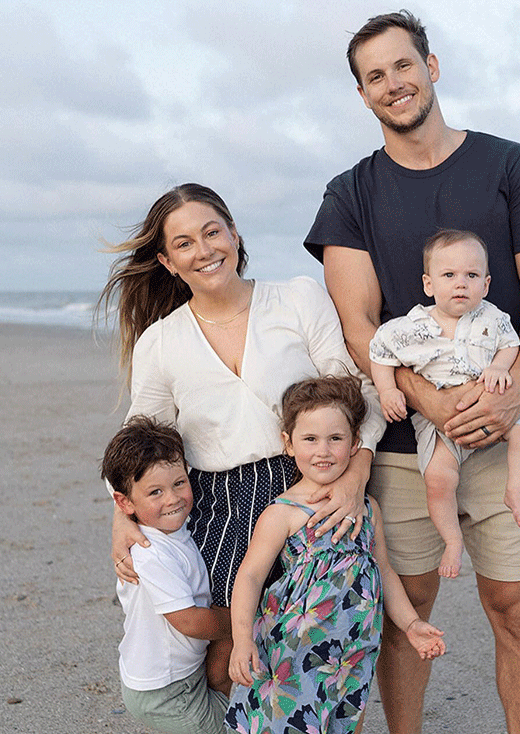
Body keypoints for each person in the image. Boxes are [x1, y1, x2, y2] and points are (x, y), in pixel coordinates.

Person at [303, 10, 520, 734]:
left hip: (508, 417)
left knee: (515, 608)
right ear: (362, 95)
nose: (394, 83)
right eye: (375, 76)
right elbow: (357, 322)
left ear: (433, 66)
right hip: (402, 441)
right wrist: (426, 397)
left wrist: (510, 399)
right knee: (408, 607)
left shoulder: (509, 165)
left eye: (403, 65)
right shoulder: (349, 193)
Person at [98, 183, 386, 692]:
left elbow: (357, 393)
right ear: (167, 262)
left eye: (213, 232)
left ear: (234, 234)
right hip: (218, 504)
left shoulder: (297, 297)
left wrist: (355, 476)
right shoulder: (161, 342)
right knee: (228, 654)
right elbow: (135, 445)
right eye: (184, 243)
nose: (204, 249)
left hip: (309, 486)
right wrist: (121, 518)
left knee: (325, 644)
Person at [225, 375, 445, 733]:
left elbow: (384, 572)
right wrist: (242, 640)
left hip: (349, 650)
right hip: (290, 652)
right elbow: (249, 576)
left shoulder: (367, 508)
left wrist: (411, 623)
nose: (323, 450)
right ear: (289, 443)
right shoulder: (284, 512)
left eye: (336, 439)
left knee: (340, 724)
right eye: (310, 439)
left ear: (356, 443)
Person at [369, 229, 520, 579]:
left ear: (486, 284)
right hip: (437, 423)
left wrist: (498, 367)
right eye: (449, 276)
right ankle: (452, 540)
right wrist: (388, 391)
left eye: (471, 276)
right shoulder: (410, 327)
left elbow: (511, 344)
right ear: (429, 284)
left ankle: (515, 491)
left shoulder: (492, 318)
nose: (461, 284)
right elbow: (380, 352)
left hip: (491, 408)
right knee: (437, 479)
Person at [102, 417, 230, 734]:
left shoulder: (176, 530)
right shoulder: (149, 553)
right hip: (165, 689)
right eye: (155, 492)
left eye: (179, 483)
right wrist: (242, 622)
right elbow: (190, 621)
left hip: (178, 674)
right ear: (124, 503)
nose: (172, 499)